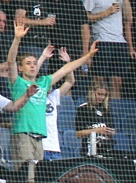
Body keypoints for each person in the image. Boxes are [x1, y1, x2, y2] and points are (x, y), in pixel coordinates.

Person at [7, 17, 98, 182]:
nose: (33, 66)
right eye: (28, 63)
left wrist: (88, 55)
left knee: (38, 179)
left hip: (39, 140)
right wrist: (17, 39)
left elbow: (66, 69)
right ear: (21, 68)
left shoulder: (43, 82)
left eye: (35, 63)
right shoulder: (18, 83)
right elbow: (10, 61)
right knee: (25, 178)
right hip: (23, 136)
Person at [83, 0, 132, 100]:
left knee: (117, 82)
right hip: (102, 40)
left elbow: (128, 17)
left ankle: (114, 111)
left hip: (119, 41)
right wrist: (106, 12)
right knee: (99, 80)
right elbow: (85, 17)